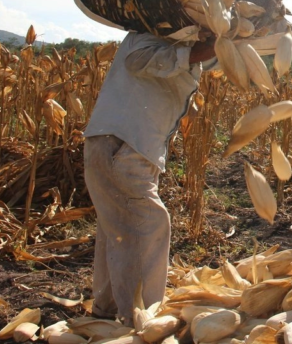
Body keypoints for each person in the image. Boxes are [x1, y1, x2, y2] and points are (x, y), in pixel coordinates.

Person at [83, 31, 216, 325]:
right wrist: (200, 51)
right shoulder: (148, 35)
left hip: (119, 145)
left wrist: (230, 41)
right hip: (123, 145)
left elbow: (212, 57)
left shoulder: (181, 45)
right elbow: (138, 61)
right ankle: (142, 319)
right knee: (147, 223)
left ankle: (106, 310)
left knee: (116, 227)